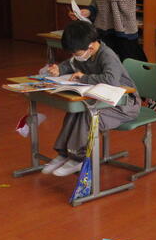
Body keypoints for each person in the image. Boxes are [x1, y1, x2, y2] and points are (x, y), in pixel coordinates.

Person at [40, 20, 141, 177]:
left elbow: (111, 80)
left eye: (77, 53)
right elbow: (71, 64)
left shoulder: (107, 56)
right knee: (75, 112)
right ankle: (64, 154)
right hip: (103, 101)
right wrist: (59, 69)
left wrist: (83, 78)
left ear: (91, 47)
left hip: (125, 105)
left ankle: (78, 158)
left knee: (89, 116)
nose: (75, 57)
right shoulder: (85, 53)